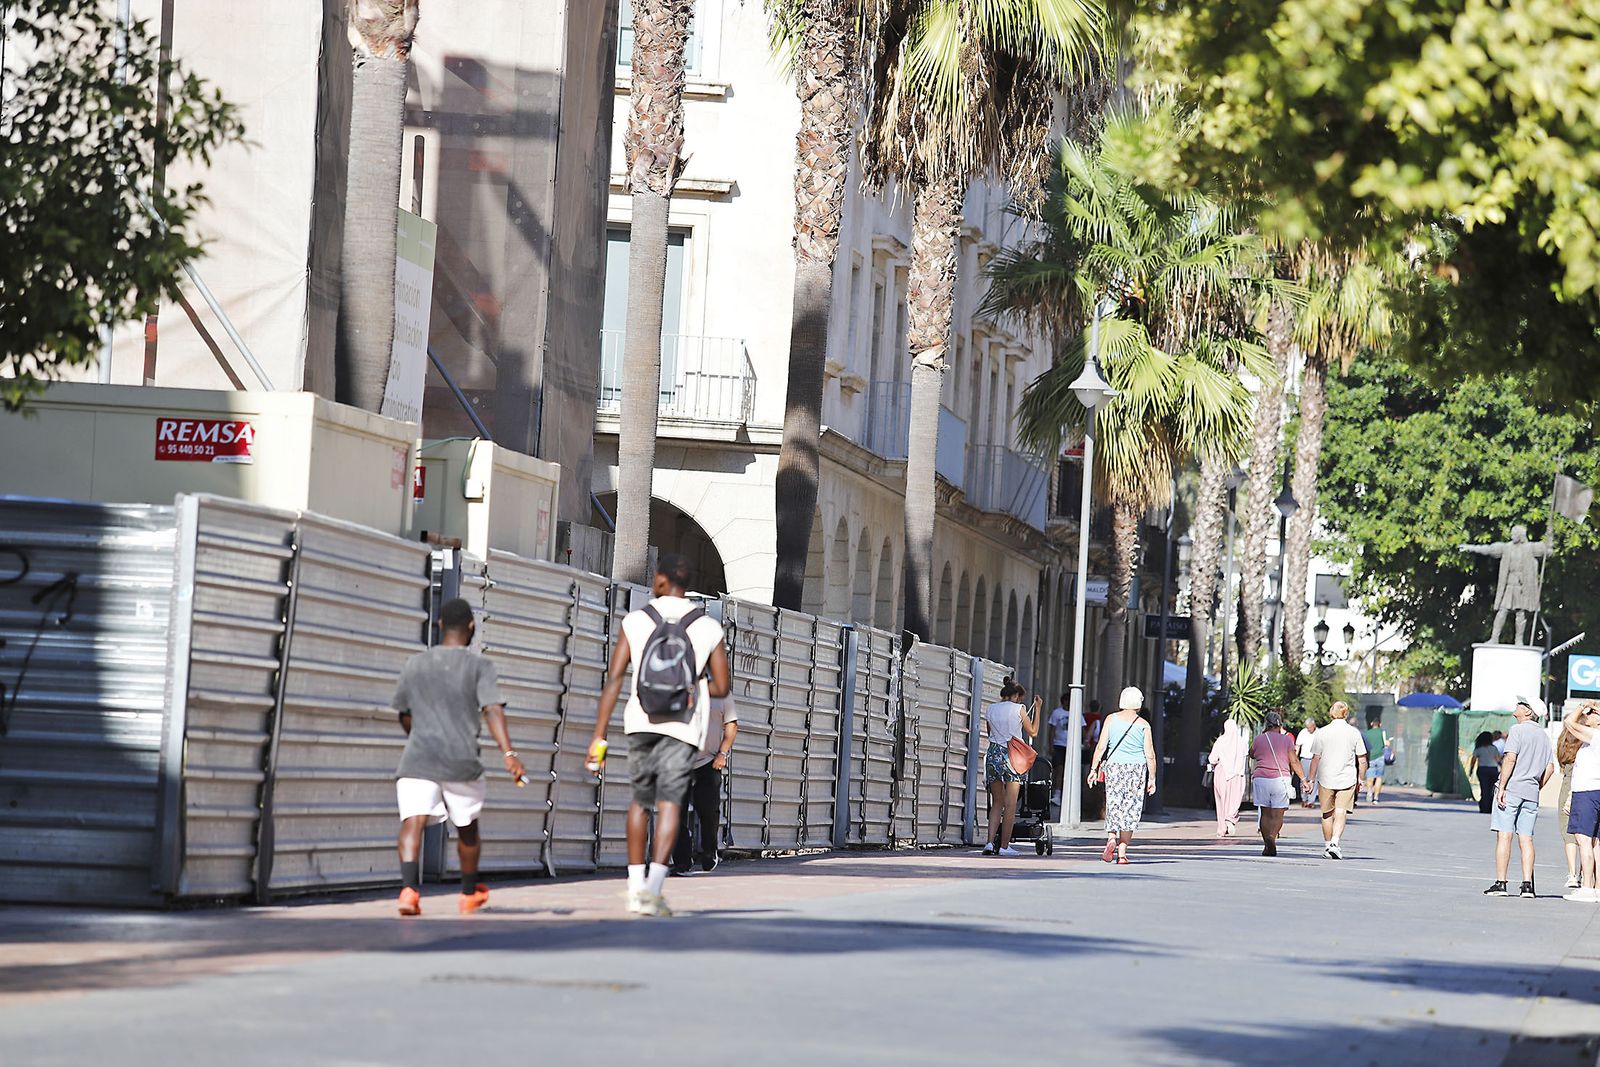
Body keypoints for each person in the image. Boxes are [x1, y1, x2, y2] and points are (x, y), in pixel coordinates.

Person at [589, 554, 731, 918]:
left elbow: (615, 679)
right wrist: (691, 682)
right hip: (683, 728)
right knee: (670, 804)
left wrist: (599, 736)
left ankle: (635, 884)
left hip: (640, 722)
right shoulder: (707, 627)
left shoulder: (636, 621)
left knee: (641, 802)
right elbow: (722, 687)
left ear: (662, 581)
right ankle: (653, 889)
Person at [391, 597, 526, 917]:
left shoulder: (415, 664)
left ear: (438, 625)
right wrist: (509, 753)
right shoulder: (480, 666)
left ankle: (409, 890)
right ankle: (468, 893)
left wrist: (421, 738)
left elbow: (404, 714)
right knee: (467, 828)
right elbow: (492, 709)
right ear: (471, 627)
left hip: (417, 759)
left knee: (413, 822)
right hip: (461, 760)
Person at [1483, 698, 1554, 899]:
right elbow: (1550, 767)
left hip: (1513, 789)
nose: (1516, 706)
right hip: (1531, 792)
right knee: (1526, 838)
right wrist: (1537, 786)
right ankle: (1527, 886)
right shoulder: (1543, 735)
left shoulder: (1517, 730)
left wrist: (1503, 786)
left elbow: (1510, 758)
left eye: (1520, 703)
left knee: (1505, 835)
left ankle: (1501, 883)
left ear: (1527, 711)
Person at [1086, 686, 1157, 865]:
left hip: (1115, 767)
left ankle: (1111, 838)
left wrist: (1094, 769)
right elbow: (1150, 754)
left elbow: (1101, 746)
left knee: (1114, 803)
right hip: (1136, 770)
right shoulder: (1143, 725)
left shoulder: (1111, 719)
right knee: (1131, 809)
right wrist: (1152, 779)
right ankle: (1122, 853)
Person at [672, 693, 738, 875]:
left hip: (708, 762)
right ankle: (682, 862)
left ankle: (710, 851)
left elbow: (731, 724)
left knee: (708, 811)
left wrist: (723, 754)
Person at [982, 683, 1042, 857]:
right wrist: (1037, 709)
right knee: (1010, 804)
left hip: (993, 755)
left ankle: (989, 842)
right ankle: (1004, 846)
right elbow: (1033, 732)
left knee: (997, 802)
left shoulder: (991, 709)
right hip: (1012, 756)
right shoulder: (1020, 708)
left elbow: (989, 733)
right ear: (1016, 695)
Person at [1308, 700, 1368, 860]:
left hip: (1326, 777)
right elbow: (1362, 759)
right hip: (1347, 778)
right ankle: (1335, 842)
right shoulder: (1354, 733)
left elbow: (1315, 758)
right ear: (1346, 714)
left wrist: (1310, 780)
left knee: (1327, 813)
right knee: (1341, 811)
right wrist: (1361, 779)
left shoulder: (1322, 733)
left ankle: (1328, 845)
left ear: (1330, 713)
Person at [1250, 710, 1304, 856]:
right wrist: (1303, 779)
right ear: (1279, 725)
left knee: (1265, 813)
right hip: (1281, 779)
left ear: (1266, 724)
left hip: (1261, 778)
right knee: (1278, 814)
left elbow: (1252, 754)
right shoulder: (1286, 740)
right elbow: (1294, 760)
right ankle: (1272, 838)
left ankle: (1267, 842)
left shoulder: (1259, 739)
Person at [1561, 705, 1600, 902]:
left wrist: (1581, 707)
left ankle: (1586, 887)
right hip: (1595, 791)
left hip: (1587, 791)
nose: (1587, 716)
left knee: (1583, 838)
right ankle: (1597, 887)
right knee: (1595, 842)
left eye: (1592, 714)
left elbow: (1568, 722)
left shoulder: (1595, 735)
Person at [1207, 718, 1250, 837]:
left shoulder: (1221, 741)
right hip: (1238, 775)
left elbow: (1212, 758)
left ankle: (1221, 828)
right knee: (1234, 800)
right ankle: (1230, 819)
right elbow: (1246, 756)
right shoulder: (1242, 742)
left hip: (1222, 773)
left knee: (1221, 802)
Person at [1469, 730, 1502, 816]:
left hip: (1482, 770)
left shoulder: (1479, 749)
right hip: (1493, 770)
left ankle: (1484, 807)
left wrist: (1471, 770)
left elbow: (1473, 760)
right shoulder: (1494, 748)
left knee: (1484, 789)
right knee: (1492, 790)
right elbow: (1498, 759)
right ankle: (1490, 808)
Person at [1047, 692, 1070, 808]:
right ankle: (1057, 794)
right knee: (1059, 769)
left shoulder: (1076, 712)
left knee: (1068, 771)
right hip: (1059, 744)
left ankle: (1064, 794)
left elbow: (1082, 728)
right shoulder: (1057, 713)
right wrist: (1050, 745)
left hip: (1070, 746)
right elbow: (1052, 729)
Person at [1363, 715, 1391, 805]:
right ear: (1380, 724)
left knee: (1370, 777)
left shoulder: (1367, 733)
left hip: (1370, 757)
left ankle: (1369, 792)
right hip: (1380, 757)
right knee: (1379, 777)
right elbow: (1387, 743)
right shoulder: (1383, 733)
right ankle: (1376, 797)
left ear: (1371, 724)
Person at [1295, 718, 1319, 808]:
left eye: (1310, 727)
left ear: (1314, 726)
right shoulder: (1303, 732)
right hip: (1304, 759)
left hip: (1315, 759)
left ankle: (1311, 801)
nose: (1308, 729)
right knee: (1303, 780)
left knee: (1313, 780)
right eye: (1307, 727)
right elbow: (1297, 746)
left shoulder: (1319, 733)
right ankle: (1304, 799)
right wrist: (1295, 758)